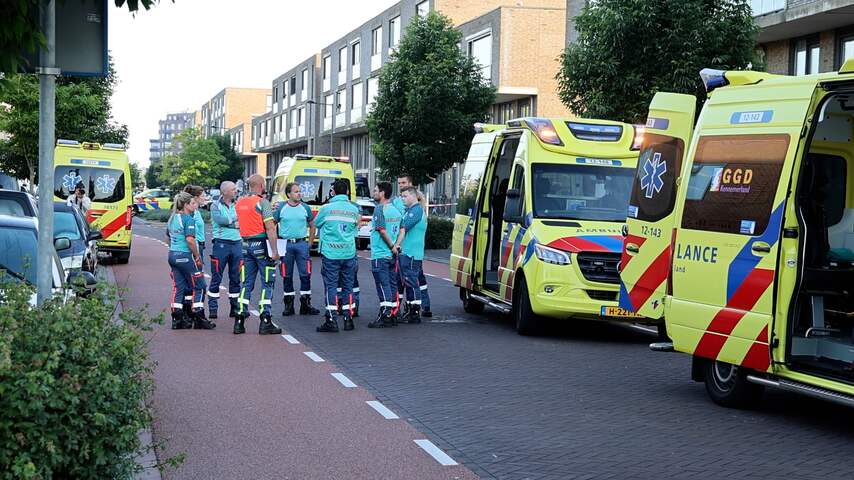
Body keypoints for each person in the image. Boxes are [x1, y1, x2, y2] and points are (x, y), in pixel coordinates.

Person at [234, 174, 282, 335]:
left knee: (246, 283)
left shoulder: (240, 203)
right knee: (267, 283)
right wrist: (275, 251)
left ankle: (239, 320)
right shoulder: (263, 202)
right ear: (261, 185)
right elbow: (269, 227)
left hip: (245, 246)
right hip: (261, 246)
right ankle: (265, 320)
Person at [314, 179, 360, 333]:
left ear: (333, 192)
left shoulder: (327, 209)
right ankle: (348, 319)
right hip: (348, 253)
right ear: (347, 192)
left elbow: (317, 223)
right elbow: (355, 227)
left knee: (331, 286)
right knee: (348, 287)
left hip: (331, 253)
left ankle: (332, 319)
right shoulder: (354, 209)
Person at [167, 192, 215, 330]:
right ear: (186, 205)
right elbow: (190, 240)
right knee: (199, 285)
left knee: (179, 286)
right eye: (193, 203)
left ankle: (177, 319)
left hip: (173, 255)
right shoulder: (188, 219)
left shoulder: (172, 218)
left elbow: (168, 236)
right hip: (186, 256)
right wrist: (197, 256)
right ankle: (199, 317)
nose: (195, 206)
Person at [273, 182, 320, 316]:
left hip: (301, 244)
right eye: (296, 191)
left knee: (305, 275)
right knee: (286, 275)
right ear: (289, 194)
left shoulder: (305, 207)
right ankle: (289, 305)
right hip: (286, 244)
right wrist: (275, 244)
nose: (299, 193)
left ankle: (305, 304)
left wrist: (310, 243)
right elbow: (272, 225)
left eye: (300, 191)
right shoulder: (281, 207)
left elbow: (312, 225)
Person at [394, 175, 431, 317]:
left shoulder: (415, 211)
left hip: (410, 253)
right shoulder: (411, 210)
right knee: (407, 282)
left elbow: (403, 227)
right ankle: (410, 309)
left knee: (411, 282)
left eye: (405, 196)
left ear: (412, 196)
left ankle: (414, 311)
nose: (402, 199)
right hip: (408, 253)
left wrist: (395, 242)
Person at [368, 181, 402, 328]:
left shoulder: (379, 210)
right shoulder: (396, 210)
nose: (373, 193)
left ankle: (385, 315)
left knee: (383, 285)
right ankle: (393, 313)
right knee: (392, 284)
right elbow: (402, 229)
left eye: (376, 191)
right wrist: (396, 246)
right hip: (392, 255)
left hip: (381, 254)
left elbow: (381, 230)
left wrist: (391, 246)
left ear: (382, 193)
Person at [207, 181, 241, 320]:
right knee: (216, 277)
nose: (236, 191)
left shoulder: (238, 205)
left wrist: (231, 222)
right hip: (221, 244)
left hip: (237, 244)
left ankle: (234, 308)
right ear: (225, 191)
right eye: (233, 189)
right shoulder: (215, 205)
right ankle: (213, 309)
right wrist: (234, 222)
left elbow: (242, 220)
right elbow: (220, 220)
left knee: (235, 277)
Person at [182, 185, 207, 316]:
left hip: (199, 245)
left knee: (191, 279)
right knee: (197, 281)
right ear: (196, 198)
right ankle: (194, 313)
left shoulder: (196, 212)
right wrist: (196, 253)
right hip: (195, 247)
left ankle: (188, 312)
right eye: (203, 196)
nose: (205, 198)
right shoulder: (191, 213)